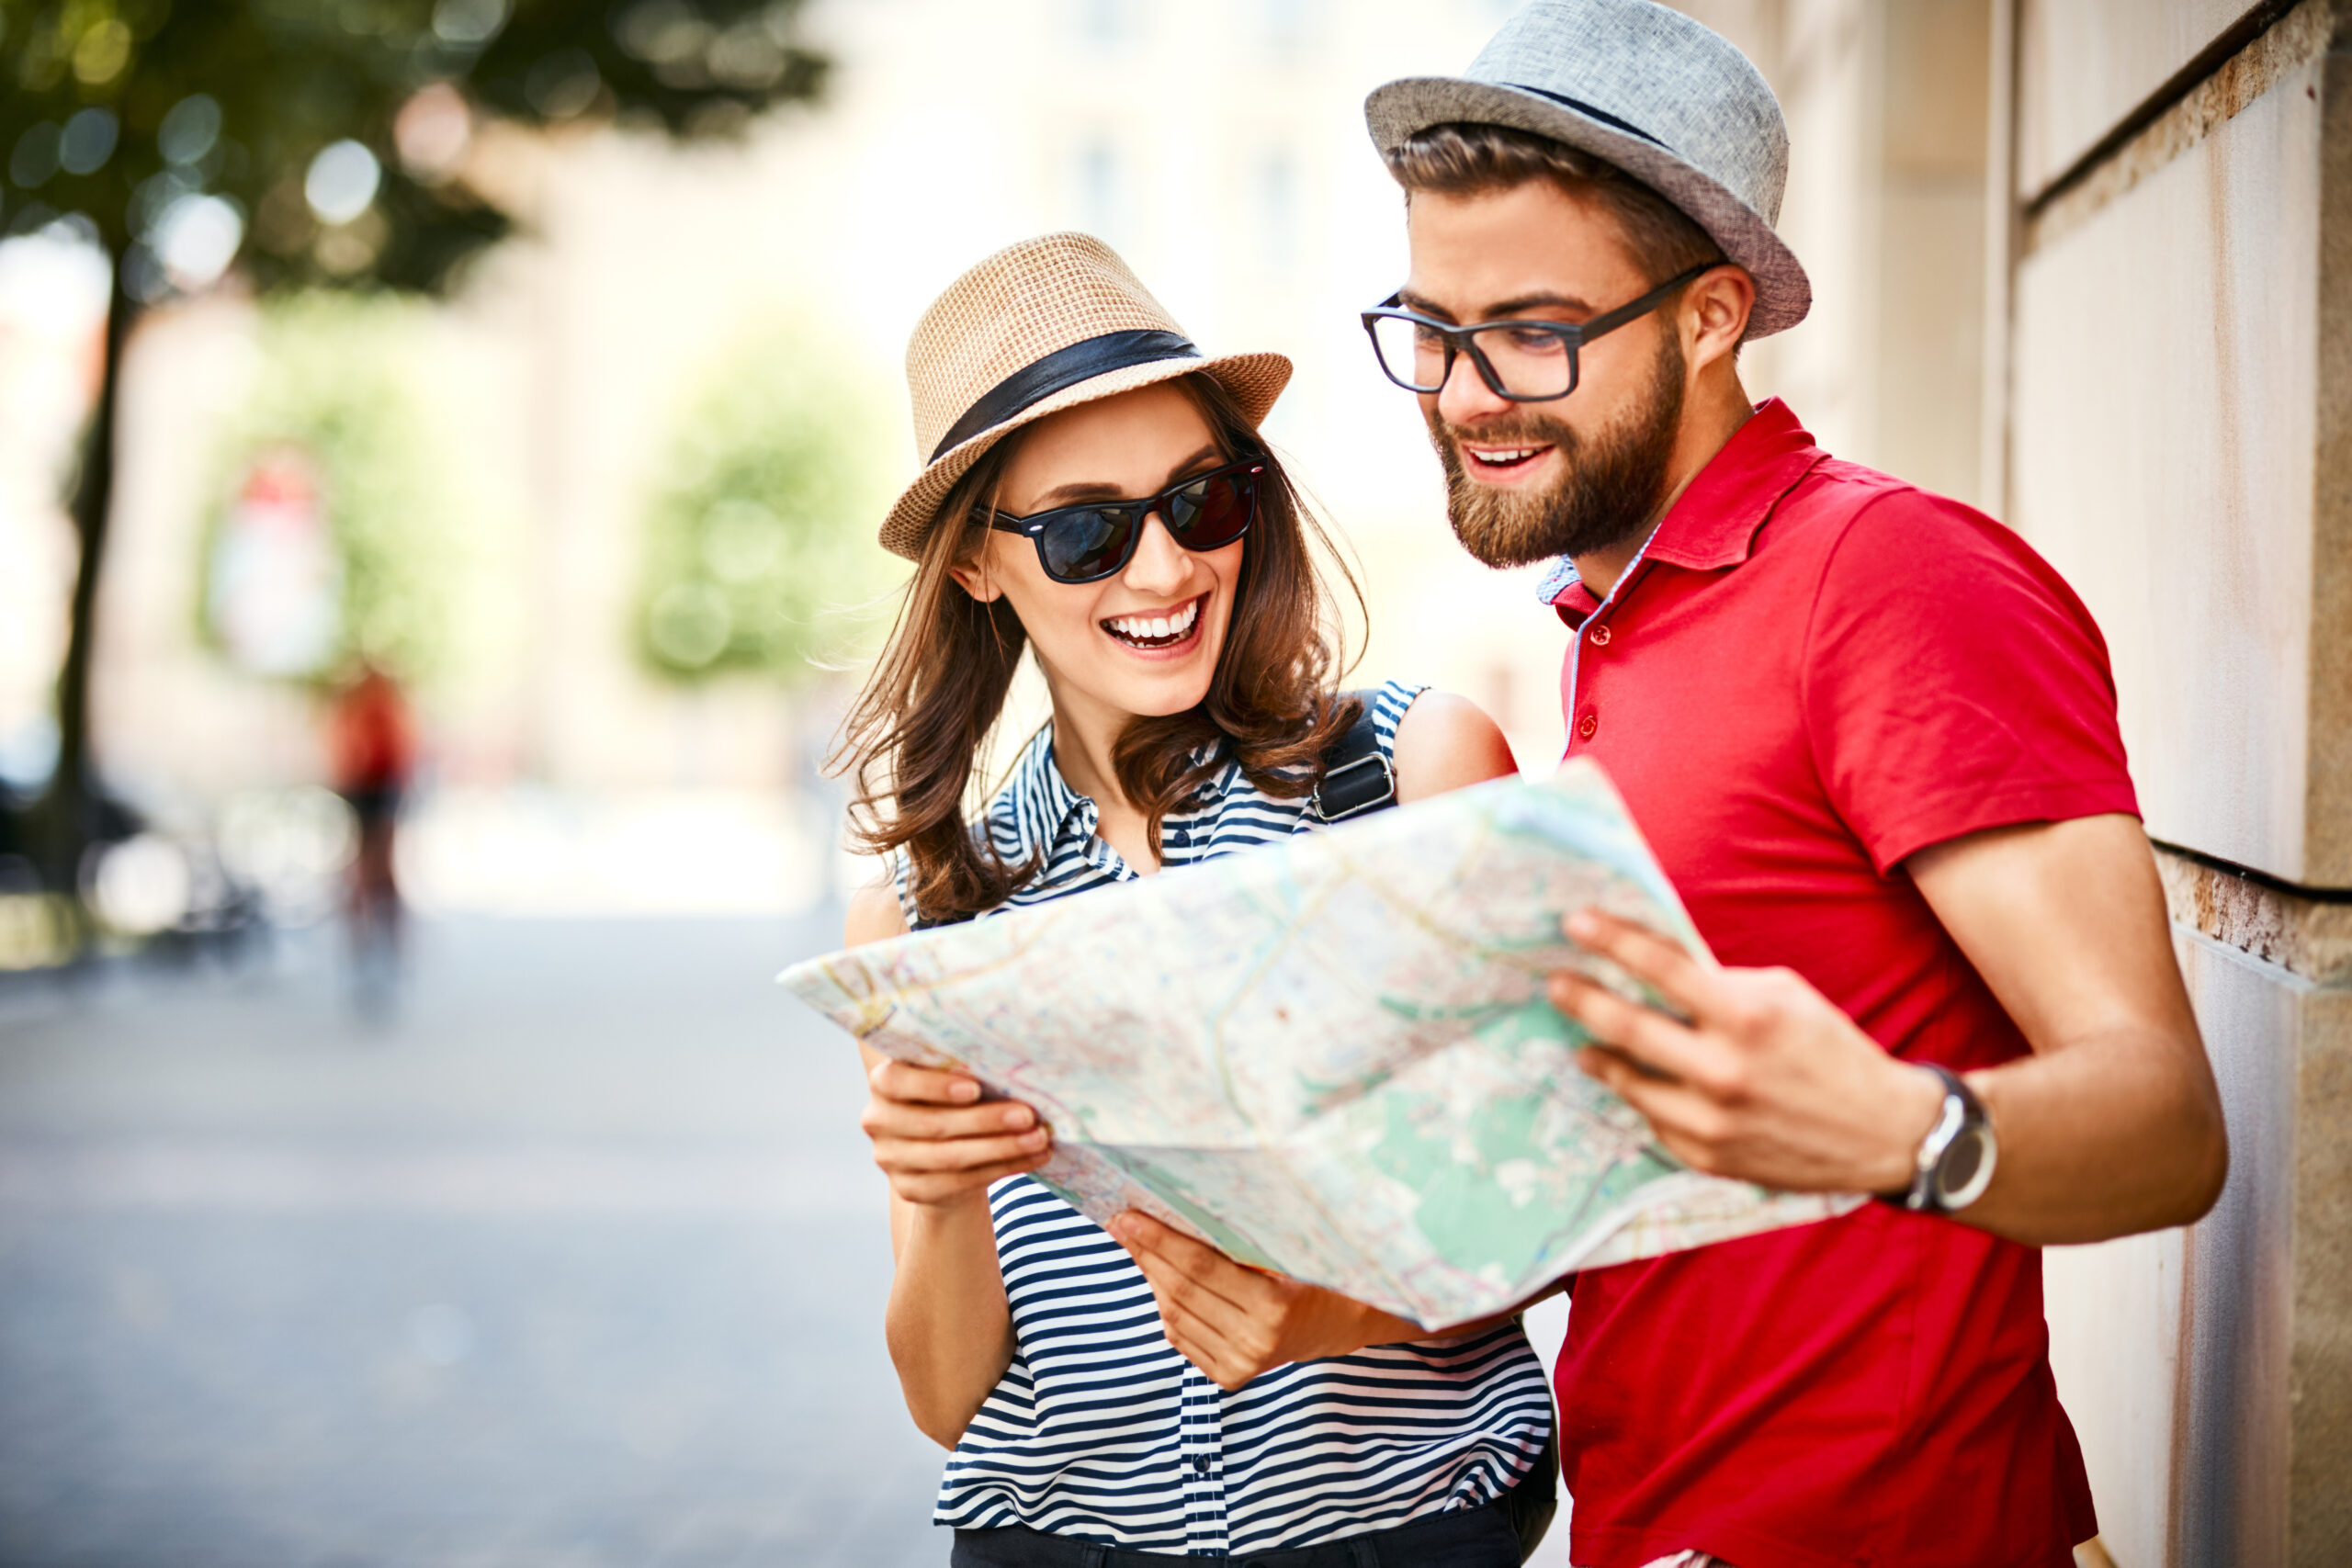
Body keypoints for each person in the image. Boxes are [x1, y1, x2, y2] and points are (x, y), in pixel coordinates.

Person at [1331, 3, 2222, 1564]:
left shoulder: (1890, 580)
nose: (1467, 393)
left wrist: (1901, 1127)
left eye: (1532, 330)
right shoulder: (1608, 629)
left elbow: (2165, 1124)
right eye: (1433, 330)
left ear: (1708, 317)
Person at [836, 232, 1558, 1565]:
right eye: (1085, 531)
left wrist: (1336, 1302)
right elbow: (948, 1402)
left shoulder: (1415, 775)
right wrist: (937, 1193)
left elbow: (1545, 1217)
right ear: (977, 565)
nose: (1166, 571)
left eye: (1200, 501)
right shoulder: (924, 910)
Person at [328, 662, 415, 1007]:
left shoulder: (383, 710)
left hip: (379, 791)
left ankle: (386, 948)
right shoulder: (362, 710)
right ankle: (368, 949)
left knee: (379, 874)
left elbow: (400, 755)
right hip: (364, 791)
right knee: (364, 875)